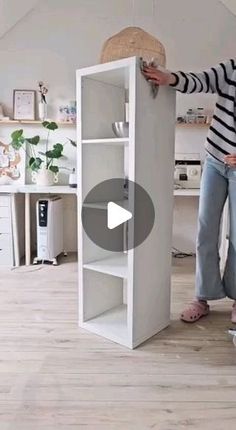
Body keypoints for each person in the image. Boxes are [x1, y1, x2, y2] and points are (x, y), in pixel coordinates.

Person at [142, 59, 236, 323]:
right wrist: (169, 78)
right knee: (206, 231)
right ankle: (201, 297)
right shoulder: (231, 69)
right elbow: (201, 79)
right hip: (216, 160)